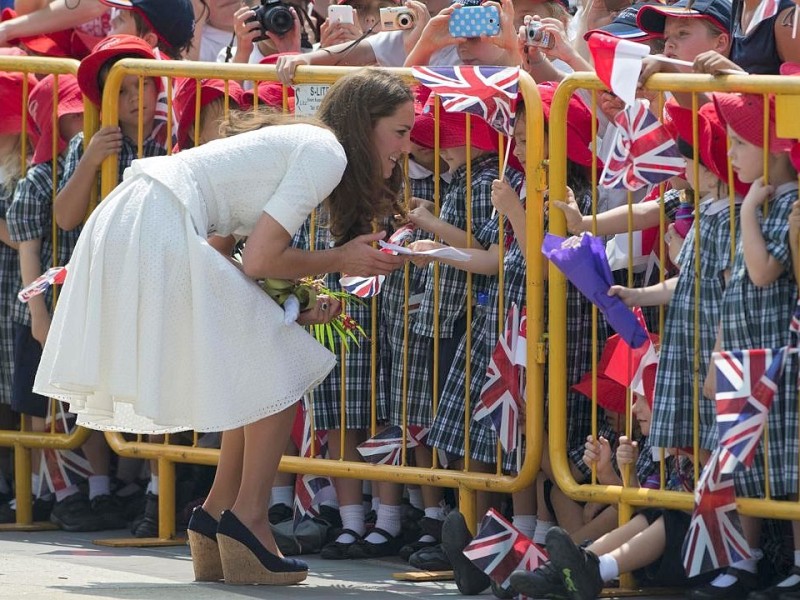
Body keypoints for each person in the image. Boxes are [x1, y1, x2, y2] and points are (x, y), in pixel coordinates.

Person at [32, 68, 411, 585]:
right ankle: (249, 522)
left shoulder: (309, 144)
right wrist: (342, 258)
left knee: (255, 364)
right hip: (154, 218)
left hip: (139, 214)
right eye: (401, 132)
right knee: (280, 364)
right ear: (367, 125)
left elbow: (227, 256)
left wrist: (295, 302)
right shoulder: (328, 152)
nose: (405, 148)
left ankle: (215, 518)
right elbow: (258, 261)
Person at [686, 92, 800, 600]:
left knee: (789, 464)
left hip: (779, 356)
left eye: (739, 142)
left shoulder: (787, 203)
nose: (728, 153)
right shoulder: (764, 202)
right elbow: (735, 289)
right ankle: (743, 561)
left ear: (774, 149)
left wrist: (751, 208)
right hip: (742, 353)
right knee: (744, 461)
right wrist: (716, 355)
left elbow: (760, 272)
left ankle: (797, 563)